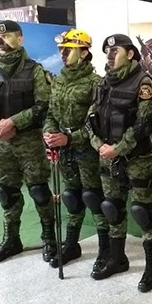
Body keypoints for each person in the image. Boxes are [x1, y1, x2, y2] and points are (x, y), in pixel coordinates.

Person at [0, 20, 57, 264]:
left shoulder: (35, 71)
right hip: (0, 143)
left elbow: (44, 105)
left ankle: (49, 238)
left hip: (29, 141)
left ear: (20, 39)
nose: (1, 41)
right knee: (6, 192)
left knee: (39, 191)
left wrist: (13, 122)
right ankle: (11, 240)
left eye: (7, 36)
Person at [86, 33, 152, 293]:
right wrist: (99, 145)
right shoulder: (103, 82)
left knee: (142, 212)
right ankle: (117, 259)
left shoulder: (143, 83)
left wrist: (117, 149)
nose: (109, 55)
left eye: (115, 50)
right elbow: (91, 117)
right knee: (112, 208)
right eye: (107, 51)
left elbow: (144, 124)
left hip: (137, 159)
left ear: (130, 54)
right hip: (108, 157)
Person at [43, 29, 110, 272]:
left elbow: (99, 124)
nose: (62, 53)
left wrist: (69, 138)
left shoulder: (96, 83)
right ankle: (71, 244)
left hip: (87, 150)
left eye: (68, 49)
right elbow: (51, 113)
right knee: (71, 197)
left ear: (83, 53)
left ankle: (106, 249)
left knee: (93, 197)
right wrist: (49, 133)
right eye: (61, 49)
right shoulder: (59, 80)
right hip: (64, 151)